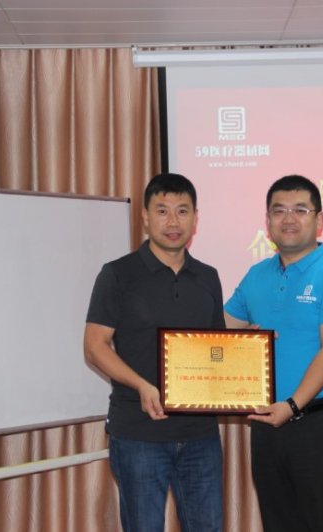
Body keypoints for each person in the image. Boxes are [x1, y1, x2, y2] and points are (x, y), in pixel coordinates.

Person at [84, 173, 225, 532]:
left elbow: (216, 349)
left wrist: (245, 356)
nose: (173, 221)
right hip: (138, 434)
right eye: (162, 211)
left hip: (201, 435)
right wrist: (142, 385)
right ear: (146, 217)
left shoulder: (209, 277)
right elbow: (95, 346)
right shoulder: (118, 274)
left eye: (182, 211)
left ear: (196, 218)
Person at [224, 175, 323, 532]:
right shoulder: (256, 275)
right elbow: (219, 332)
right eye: (279, 211)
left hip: (319, 423)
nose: (289, 219)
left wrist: (293, 405)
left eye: (300, 210)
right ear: (267, 220)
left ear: (320, 220)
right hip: (267, 423)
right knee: (278, 522)